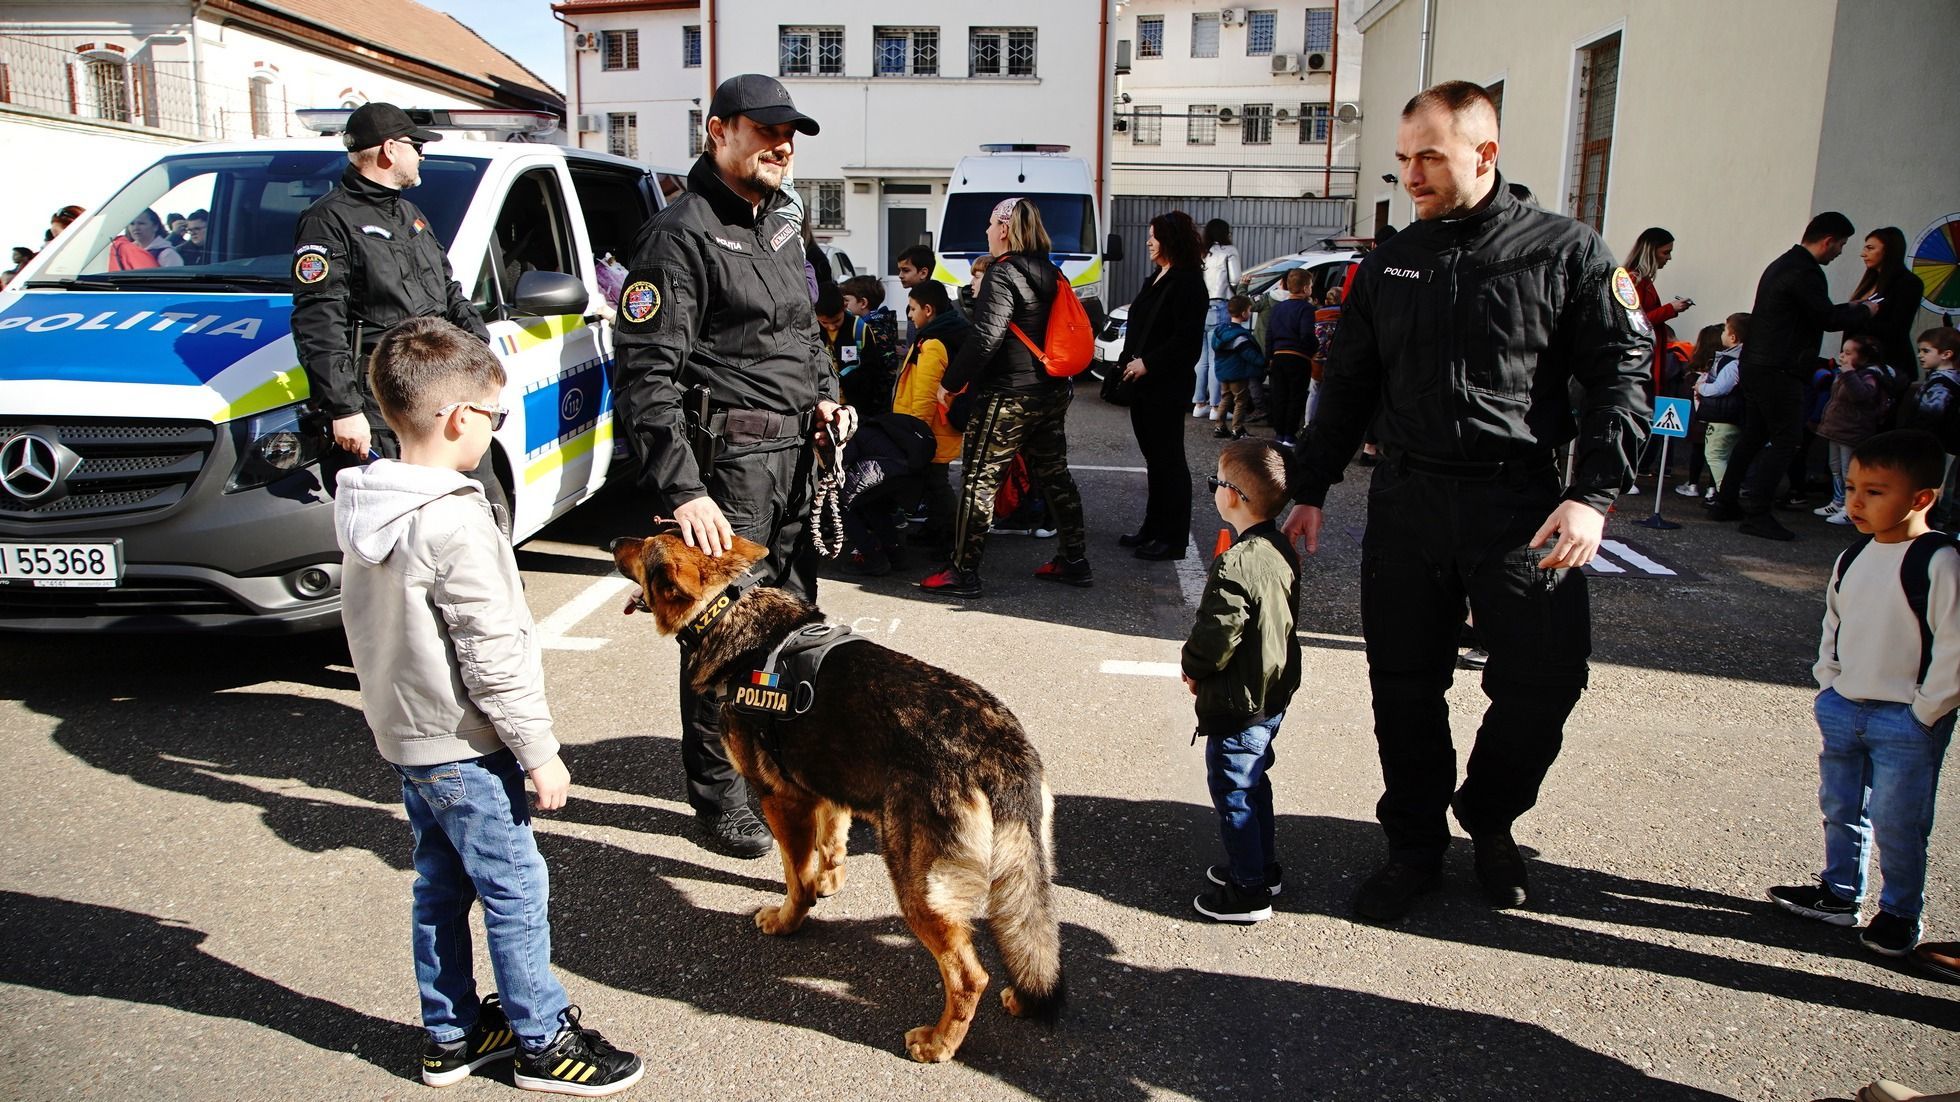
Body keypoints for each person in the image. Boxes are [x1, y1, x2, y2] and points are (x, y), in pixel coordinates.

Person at [1281, 81, 1650, 923]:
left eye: (1429, 158)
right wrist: (1309, 487)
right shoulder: (1392, 261)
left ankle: (1488, 816)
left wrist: (1593, 494)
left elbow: (1620, 377)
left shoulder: (1567, 251)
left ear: (1485, 154)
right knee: (1404, 687)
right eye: (1403, 158)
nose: (1410, 175)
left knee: (1545, 682)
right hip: (1408, 502)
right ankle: (1413, 847)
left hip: (1519, 505)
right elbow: (1347, 385)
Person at [334, 317, 645, 1096]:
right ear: (459, 419)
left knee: (439, 884)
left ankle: (453, 1032)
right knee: (516, 886)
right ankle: (541, 1036)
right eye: (496, 417)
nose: (494, 432)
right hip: (467, 744)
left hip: (409, 737)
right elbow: (493, 650)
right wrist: (537, 749)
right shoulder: (454, 519)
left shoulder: (367, 505)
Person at [610, 74, 853, 859]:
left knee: (787, 628)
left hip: (796, 457)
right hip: (731, 469)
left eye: (792, 133)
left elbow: (807, 334)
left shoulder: (784, 220)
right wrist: (683, 488)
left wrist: (827, 399)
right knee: (721, 643)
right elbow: (645, 376)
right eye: (766, 130)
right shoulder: (677, 234)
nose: (783, 145)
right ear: (719, 132)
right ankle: (721, 801)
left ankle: (777, 767)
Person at [1769, 430, 1958, 959]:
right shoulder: (1853, 555)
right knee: (1840, 804)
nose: (1855, 501)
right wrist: (1828, 682)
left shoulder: (1940, 561)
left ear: (1921, 498)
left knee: (1901, 820)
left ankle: (1899, 913)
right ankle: (1838, 893)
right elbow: (1835, 619)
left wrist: (1925, 711)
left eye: (1875, 491)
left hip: (1907, 718)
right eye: (1851, 487)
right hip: (1844, 705)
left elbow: (1955, 646)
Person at [291, 102, 504, 513]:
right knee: (407, 520)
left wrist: (479, 352)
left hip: (447, 388)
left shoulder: (409, 214)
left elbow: (450, 290)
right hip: (386, 400)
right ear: (390, 149)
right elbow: (319, 320)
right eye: (416, 145)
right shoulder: (328, 219)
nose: (422, 154)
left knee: (481, 502)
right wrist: (344, 408)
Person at [918, 197, 1092, 596]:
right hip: (1049, 389)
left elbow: (985, 337)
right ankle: (1074, 560)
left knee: (980, 479)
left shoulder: (1003, 272)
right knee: (1054, 475)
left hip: (1009, 394)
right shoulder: (1052, 271)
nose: (985, 232)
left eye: (988, 225)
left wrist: (952, 382)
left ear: (1003, 229)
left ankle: (962, 571)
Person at [1183, 439, 1302, 924]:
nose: (1213, 490)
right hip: (1271, 692)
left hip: (1240, 699)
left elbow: (1216, 633)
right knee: (1254, 782)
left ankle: (1249, 891)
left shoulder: (1237, 560)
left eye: (1215, 482)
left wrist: (1193, 667)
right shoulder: (1278, 548)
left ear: (1232, 495)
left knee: (1234, 789)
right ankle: (1260, 865)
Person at [1709, 212, 1879, 541]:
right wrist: (1863, 310)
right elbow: (1826, 316)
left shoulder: (1783, 264)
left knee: (1754, 436)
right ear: (1828, 240)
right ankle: (1757, 513)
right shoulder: (1805, 272)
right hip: (1780, 369)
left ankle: (1726, 501)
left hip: (1758, 364)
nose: (1841, 252)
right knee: (1786, 439)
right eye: (1841, 244)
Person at [1114, 210, 1208, 562]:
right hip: (1143, 385)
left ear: (1171, 239)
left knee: (1170, 461)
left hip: (1165, 386)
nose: (1148, 241)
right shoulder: (1157, 277)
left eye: (1154, 236)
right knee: (1155, 460)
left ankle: (1173, 538)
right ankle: (1153, 529)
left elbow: (1186, 342)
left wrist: (1148, 362)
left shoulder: (1187, 283)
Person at [892, 279, 969, 553]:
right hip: (937, 428)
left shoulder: (934, 343)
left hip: (931, 429)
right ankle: (937, 529)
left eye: (912, 309)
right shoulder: (944, 332)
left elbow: (924, 394)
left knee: (936, 484)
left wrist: (916, 433)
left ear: (928, 309)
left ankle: (952, 538)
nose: (910, 315)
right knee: (932, 482)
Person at [1816, 335, 1894, 524]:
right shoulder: (1845, 373)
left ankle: (1850, 507)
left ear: (1864, 357)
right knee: (1834, 467)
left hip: (1853, 431)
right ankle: (1837, 500)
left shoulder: (1868, 375)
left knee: (1848, 470)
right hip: (1837, 427)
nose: (1842, 355)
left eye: (1848, 353)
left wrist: (1849, 373)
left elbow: (1861, 396)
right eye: (1843, 351)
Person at [1846, 227, 1927, 384]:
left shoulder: (1908, 283)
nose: (1863, 254)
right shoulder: (1871, 280)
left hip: (1888, 368)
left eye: (1870, 248)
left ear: (1889, 250)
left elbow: (1897, 328)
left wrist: (1858, 317)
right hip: (1858, 366)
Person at [1903, 327, 1960, 530]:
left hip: (1937, 444)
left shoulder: (1942, 384)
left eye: (1926, 351)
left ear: (1946, 354)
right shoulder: (1944, 380)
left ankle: (1932, 526)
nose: (1920, 355)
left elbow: (1931, 416)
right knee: (1944, 486)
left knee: (1936, 486)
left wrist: (1915, 439)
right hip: (1945, 444)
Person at [1691, 313, 1751, 504]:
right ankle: (1724, 493)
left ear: (1733, 337)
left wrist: (1701, 387)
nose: (1722, 334)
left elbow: (1720, 388)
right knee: (1725, 456)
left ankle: (1724, 494)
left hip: (1723, 418)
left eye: (1725, 330)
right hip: (1734, 418)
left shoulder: (1732, 362)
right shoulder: (1744, 359)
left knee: (1715, 455)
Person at [1625, 227, 1692, 397]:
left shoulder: (1642, 280)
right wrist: (1670, 309)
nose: (1669, 257)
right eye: (1665, 252)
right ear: (1650, 251)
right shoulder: (1633, 279)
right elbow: (1635, 321)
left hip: (1645, 359)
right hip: (1640, 361)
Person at [1194, 219, 1241, 420]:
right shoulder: (1229, 251)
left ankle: (1199, 403)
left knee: (1201, 360)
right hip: (1221, 305)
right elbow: (1235, 279)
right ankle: (1216, 407)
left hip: (1201, 306)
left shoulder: (1202, 252)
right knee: (1217, 359)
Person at [1265, 269, 1319, 446]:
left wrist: (1269, 356)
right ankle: (1290, 434)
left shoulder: (1277, 308)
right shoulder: (1307, 309)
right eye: (1311, 286)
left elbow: (1269, 334)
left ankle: (1279, 433)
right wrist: (1314, 348)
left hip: (1278, 356)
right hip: (1298, 356)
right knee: (1296, 396)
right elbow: (1306, 334)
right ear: (1305, 288)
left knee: (1279, 395)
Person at [1671, 323, 1724, 498]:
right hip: (1721, 418)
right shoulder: (1727, 368)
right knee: (1718, 455)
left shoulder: (1693, 372)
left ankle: (1693, 484)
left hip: (1697, 419)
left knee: (1698, 450)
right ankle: (1712, 487)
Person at [840, 274, 898, 416]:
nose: (843, 306)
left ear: (863, 303)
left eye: (846, 301)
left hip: (873, 401)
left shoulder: (871, 329)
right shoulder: (883, 323)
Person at [1210, 295, 1264, 439]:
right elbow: (1249, 355)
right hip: (1237, 373)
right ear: (1244, 313)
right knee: (1240, 401)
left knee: (1225, 398)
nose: (1250, 312)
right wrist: (1264, 362)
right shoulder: (1240, 336)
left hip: (1223, 373)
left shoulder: (1220, 331)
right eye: (1249, 310)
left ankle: (1219, 426)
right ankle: (1237, 429)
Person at [117, 208, 183, 269]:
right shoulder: (126, 253)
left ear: (155, 226)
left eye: (141, 223)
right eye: (132, 224)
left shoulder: (167, 255)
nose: (136, 228)